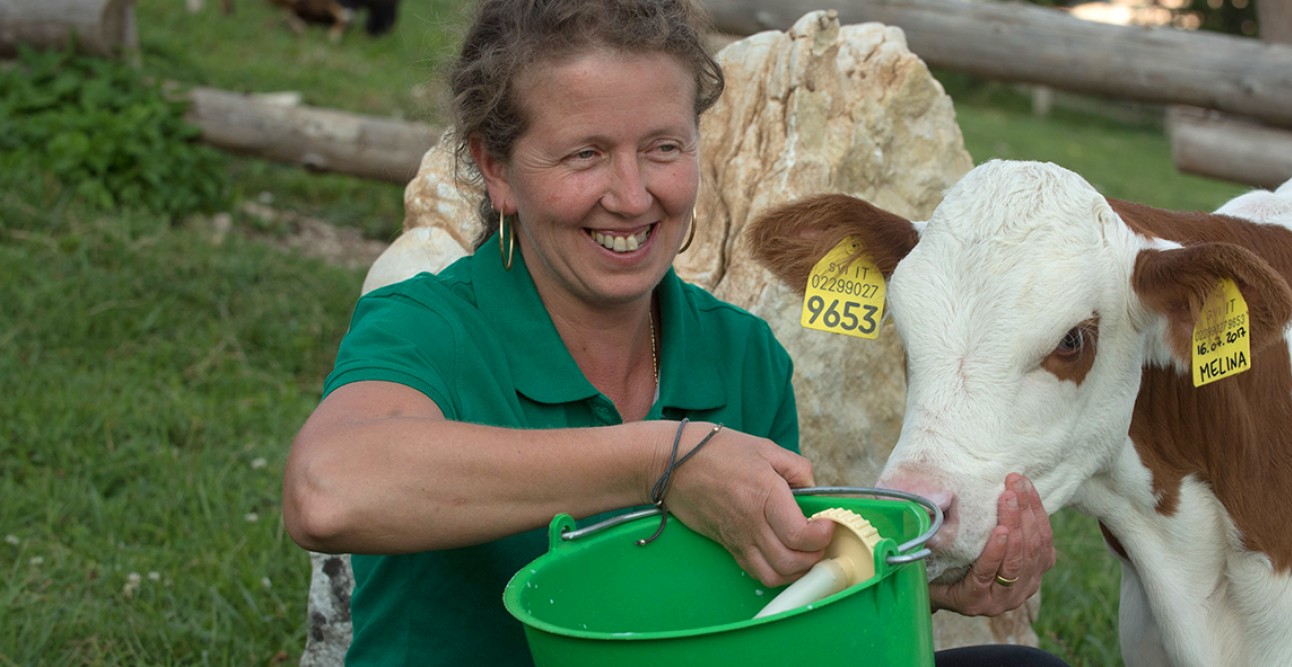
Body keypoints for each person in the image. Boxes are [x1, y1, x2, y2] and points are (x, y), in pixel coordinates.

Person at [280, 1, 1065, 665]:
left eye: (663, 148)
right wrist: (665, 461)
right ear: (495, 168)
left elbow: (758, 607)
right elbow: (328, 488)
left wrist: (911, 581)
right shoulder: (433, 325)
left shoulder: (741, 356)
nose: (632, 195)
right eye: (585, 154)